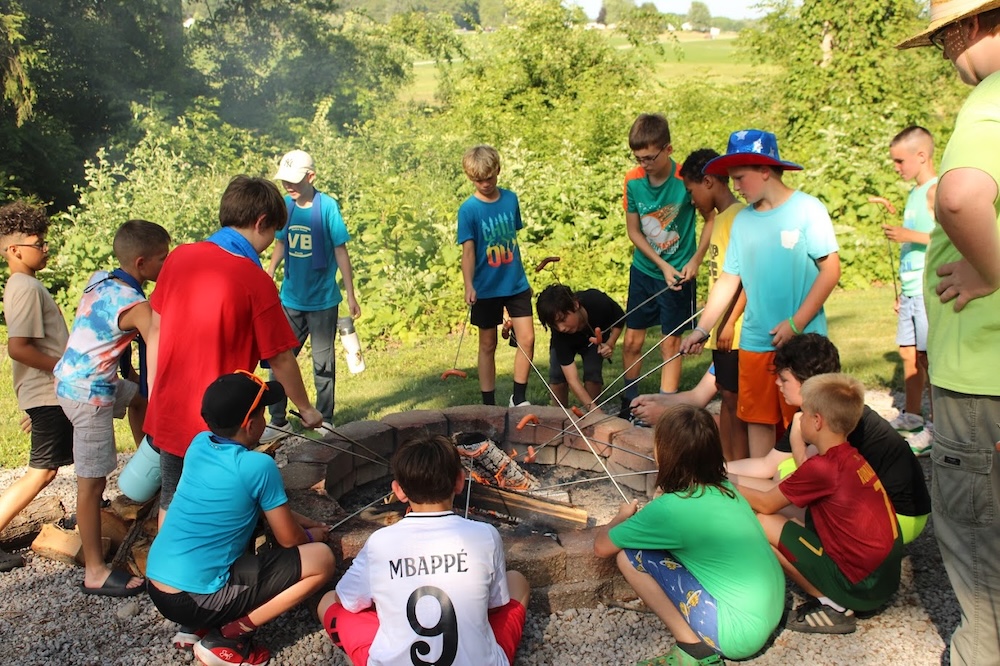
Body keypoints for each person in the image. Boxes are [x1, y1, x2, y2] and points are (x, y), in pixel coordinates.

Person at [899, 6, 1000, 663]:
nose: (943, 53)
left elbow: (959, 195)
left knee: (976, 536)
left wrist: (990, 271)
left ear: (966, 29)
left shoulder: (990, 100)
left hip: (980, 372)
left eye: (941, 40)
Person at [144, 175, 323, 525]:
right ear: (261, 222)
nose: (269, 244)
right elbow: (280, 357)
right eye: (272, 233)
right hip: (222, 420)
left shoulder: (179, 257)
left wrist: (155, 391)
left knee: (173, 497)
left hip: (170, 406)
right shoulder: (255, 279)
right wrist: (306, 408)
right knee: (224, 506)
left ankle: (165, 560)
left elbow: (156, 328)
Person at [146, 371, 333, 665]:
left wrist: (305, 520)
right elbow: (289, 540)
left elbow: (249, 505)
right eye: (262, 412)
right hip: (195, 597)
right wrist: (311, 536)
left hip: (158, 584)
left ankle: (196, 627)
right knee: (322, 560)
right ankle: (229, 638)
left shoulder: (199, 444)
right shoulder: (258, 466)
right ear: (250, 424)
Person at [679, 129, 841, 458]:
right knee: (758, 423)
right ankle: (761, 488)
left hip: (805, 344)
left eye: (740, 178)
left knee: (807, 427)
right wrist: (702, 329)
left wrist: (795, 324)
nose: (736, 187)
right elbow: (728, 280)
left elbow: (831, 271)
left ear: (765, 170)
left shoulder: (808, 210)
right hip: (754, 344)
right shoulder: (743, 221)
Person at [593, 404, 784, 665]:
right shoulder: (725, 487)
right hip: (771, 611)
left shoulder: (668, 509)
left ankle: (693, 650)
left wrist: (621, 516)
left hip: (737, 635)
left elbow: (601, 546)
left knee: (629, 556)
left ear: (664, 452)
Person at [319, 433, 530, 666]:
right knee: (516, 580)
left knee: (328, 601)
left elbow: (344, 598)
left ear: (398, 491)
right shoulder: (486, 535)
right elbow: (495, 604)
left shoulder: (380, 543)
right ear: (460, 481)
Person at [53, 220, 169, 596]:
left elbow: (105, 329)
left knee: (138, 398)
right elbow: (159, 348)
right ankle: (94, 571)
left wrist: (129, 374)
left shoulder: (101, 280)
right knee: (91, 484)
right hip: (89, 394)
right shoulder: (136, 305)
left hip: (73, 376)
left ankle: (145, 456)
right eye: (163, 258)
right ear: (141, 263)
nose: (167, 264)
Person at [738, 374, 903, 635]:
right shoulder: (851, 457)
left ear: (817, 421)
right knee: (789, 515)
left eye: (803, 413)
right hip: (882, 581)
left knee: (761, 521)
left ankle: (833, 606)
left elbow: (766, 504)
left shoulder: (823, 467)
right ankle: (834, 592)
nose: (798, 418)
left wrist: (717, 482)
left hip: (862, 588)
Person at [727, 333, 931, 545]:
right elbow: (767, 464)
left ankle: (826, 554)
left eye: (784, 379)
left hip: (899, 518)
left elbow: (806, 476)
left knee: (773, 509)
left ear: (807, 383)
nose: (777, 382)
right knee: (782, 471)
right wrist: (717, 469)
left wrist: (796, 436)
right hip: (885, 507)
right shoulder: (822, 408)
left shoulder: (833, 422)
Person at [264, 150, 361, 437]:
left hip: (322, 301)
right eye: (285, 181)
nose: (288, 186)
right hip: (290, 299)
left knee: (323, 363)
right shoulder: (285, 206)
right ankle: (278, 421)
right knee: (279, 360)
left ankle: (325, 418)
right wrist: (269, 273)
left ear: (311, 177)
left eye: (294, 181)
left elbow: (340, 250)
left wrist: (351, 294)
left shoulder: (327, 207)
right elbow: (281, 243)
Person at [0, 202, 73, 572]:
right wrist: (65, 370)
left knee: (53, 467)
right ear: (15, 250)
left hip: (48, 393)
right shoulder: (25, 287)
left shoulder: (25, 285)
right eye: (38, 243)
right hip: (48, 392)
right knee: (41, 471)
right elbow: (19, 347)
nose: (45, 249)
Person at [620, 113, 708, 418]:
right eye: (638, 158)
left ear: (668, 149)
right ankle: (630, 404)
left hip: (679, 274)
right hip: (645, 271)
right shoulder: (633, 181)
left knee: (671, 344)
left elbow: (711, 218)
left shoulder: (685, 179)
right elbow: (634, 231)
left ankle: (666, 410)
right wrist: (660, 265)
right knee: (632, 341)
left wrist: (695, 260)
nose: (644, 164)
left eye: (650, 157)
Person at [681, 147, 748, 460]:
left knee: (737, 404)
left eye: (691, 191)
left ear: (708, 182)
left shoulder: (738, 217)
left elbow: (745, 278)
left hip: (736, 332)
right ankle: (730, 465)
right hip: (722, 331)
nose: (691, 200)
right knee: (728, 400)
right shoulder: (721, 219)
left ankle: (739, 465)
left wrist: (729, 322)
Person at [458, 144, 534, 408]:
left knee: (527, 339)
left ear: (498, 170)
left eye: (488, 178)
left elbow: (512, 238)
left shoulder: (510, 199)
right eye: (478, 180)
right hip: (486, 287)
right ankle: (488, 405)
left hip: (515, 283)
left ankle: (519, 398)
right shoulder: (468, 210)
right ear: (470, 178)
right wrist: (469, 285)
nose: (485, 184)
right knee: (488, 344)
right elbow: (468, 252)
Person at [882, 126, 937, 455]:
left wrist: (908, 235)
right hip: (911, 289)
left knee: (930, 360)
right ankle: (913, 416)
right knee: (909, 353)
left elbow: (947, 238)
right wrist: (902, 291)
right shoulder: (914, 192)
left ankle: (936, 429)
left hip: (929, 290)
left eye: (900, 161)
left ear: (922, 156)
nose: (896, 167)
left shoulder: (935, 191)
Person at [535, 284, 624, 412]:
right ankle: (560, 414)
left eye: (562, 320)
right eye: (554, 325)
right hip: (566, 343)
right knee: (557, 375)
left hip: (594, 339)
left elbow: (619, 319)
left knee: (593, 373)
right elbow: (573, 380)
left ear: (575, 305)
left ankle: (591, 412)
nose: (561, 328)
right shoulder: (560, 334)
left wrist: (610, 343)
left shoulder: (597, 301)